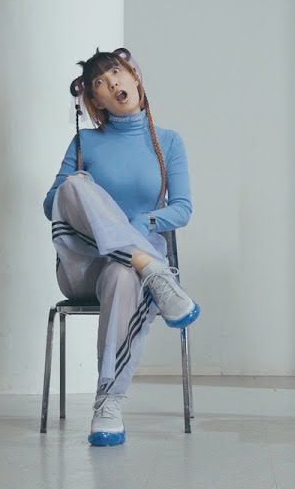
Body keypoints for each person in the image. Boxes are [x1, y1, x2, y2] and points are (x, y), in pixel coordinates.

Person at [43, 47, 199, 447]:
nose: (112, 83)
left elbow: (182, 208)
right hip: (83, 268)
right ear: (95, 101)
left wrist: (142, 223)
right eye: (99, 82)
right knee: (73, 186)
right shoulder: (84, 142)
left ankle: (108, 402)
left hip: (122, 272)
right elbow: (51, 205)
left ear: (134, 77)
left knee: (122, 275)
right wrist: (82, 190)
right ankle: (150, 267)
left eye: (116, 72)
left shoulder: (168, 142)